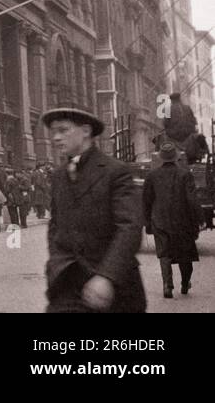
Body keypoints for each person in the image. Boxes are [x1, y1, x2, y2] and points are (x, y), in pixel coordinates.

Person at [42, 105, 145, 313]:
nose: (56, 137)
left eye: (63, 130)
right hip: (67, 284)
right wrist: (56, 262)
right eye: (53, 131)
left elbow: (129, 227)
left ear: (86, 131)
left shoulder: (115, 172)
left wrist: (107, 276)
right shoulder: (59, 175)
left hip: (113, 289)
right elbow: (56, 225)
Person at [143, 140, 200, 299]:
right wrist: (198, 219)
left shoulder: (152, 176)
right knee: (184, 254)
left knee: (164, 254)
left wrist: (148, 222)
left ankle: (167, 285)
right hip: (182, 222)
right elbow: (192, 200)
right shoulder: (185, 175)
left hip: (159, 221)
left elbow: (146, 201)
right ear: (176, 158)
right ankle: (184, 283)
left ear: (161, 158)